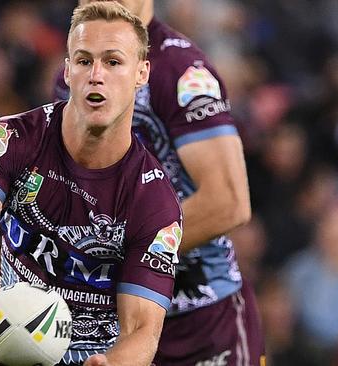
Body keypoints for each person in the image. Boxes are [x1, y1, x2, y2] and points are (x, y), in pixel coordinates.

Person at [0, 2, 182, 366]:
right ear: (67, 70)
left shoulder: (153, 202)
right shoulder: (15, 139)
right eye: (83, 60)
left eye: (113, 61)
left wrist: (113, 364)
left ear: (142, 73)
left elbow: (142, 331)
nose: (96, 75)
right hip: (8, 348)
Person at [54, 1, 263, 365]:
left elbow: (227, 202)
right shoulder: (71, 73)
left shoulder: (181, 71)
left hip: (197, 318)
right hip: (110, 324)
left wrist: (119, 255)